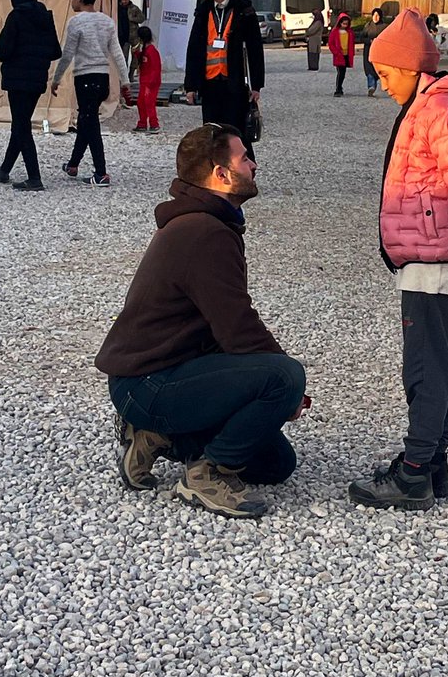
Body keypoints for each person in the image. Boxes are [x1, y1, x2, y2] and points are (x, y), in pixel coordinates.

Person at [95, 124, 308, 519]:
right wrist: (289, 388)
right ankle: (205, 476)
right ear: (220, 173)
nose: (254, 165)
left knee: (276, 463)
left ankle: (156, 436)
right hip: (146, 382)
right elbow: (238, 328)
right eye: (244, 157)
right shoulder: (204, 232)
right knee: (284, 378)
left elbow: (223, 328)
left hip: (156, 376)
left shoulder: (208, 223)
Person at [348, 8, 448, 511]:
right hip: (429, 255)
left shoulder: (440, 109)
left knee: (426, 367)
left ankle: (415, 471)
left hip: (435, 259)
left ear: (411, 68)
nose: (382, 82)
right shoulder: (433, 105)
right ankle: (433, 462)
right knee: (439, 361)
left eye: (386, 73)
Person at [51, 0, 131, 187]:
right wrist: (125, 79)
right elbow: (117, 53)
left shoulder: (76, 22)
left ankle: (101, 172)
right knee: (86, 121)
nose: (71, 2)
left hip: (85, 77)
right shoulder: (107, 22)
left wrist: (56, 78)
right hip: (102, 77)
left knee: (90, 123)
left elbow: (68, 54)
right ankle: (73, 164)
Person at [0, 0, 61, 192]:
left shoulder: (16, 17)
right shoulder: (46, 18)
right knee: (20, 124)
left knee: (22, 126)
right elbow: (55, 51)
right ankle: (4, 170)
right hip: (37, 78)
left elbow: (5, 49)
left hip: (17, 78)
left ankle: (34, 177)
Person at [184, 0, 264, 149]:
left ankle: (243, 169)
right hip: (210, 83)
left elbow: (254, 48)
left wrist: (256, 84)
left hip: (234, 83)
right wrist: (191, 86)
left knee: (237, 132)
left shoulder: (244, 10)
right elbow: (194, 50)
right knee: (212, 132)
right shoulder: (203, 11)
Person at [132, 25, 162, 134]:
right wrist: (136, 53)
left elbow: (155, 68)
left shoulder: (151, 51)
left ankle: (154, 124)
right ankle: (143, 123)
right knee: (141, 102)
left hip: (150, 82)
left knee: (148, 103)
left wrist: (150, 83)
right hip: (145, 81)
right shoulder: (147, 50)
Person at [328, 11, 355, 97]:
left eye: (346, 24)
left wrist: (352, 53)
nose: (345, 25)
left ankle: (339, 87)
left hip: (346, 55)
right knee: (340, 72)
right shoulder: (335, 32)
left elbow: (352, 43)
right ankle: (338, 88)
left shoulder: (349, 32)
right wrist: (336, 52)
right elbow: (331, 43)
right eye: (343, 23)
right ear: (340, 23)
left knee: (343, 73)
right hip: (339, 55)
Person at [362, 7, 385, 95]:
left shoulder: (384, 27)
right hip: (368, 51)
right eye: (374, 15)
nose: (375, 17)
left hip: (380, 52)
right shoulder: (367, 26)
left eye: (377, 15)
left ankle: (374, 84)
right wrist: (369, 41)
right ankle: (371, 86)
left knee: (377, 70)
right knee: (369, 69)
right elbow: (362, 37)